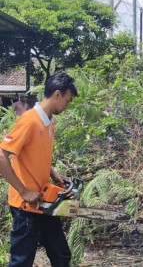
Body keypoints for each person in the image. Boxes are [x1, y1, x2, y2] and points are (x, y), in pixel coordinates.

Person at [0, 71, 77, 267]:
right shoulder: (29, 120)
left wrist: (53, 173)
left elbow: (35, 153)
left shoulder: (50, 120)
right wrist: (23, 191)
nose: (67, 106)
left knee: (62, 256)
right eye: (67, 101)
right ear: (57, 94)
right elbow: (2, 155)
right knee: (22, 262)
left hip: (45, 201)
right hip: (25, 206)